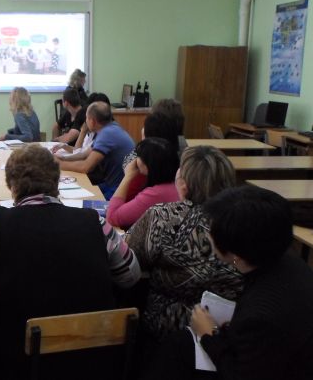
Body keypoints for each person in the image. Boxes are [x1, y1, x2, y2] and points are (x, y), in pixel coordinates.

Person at [0, 145, 141, 380]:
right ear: (56, 181)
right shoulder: (95, 222)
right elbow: (131, 276)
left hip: (18, 357)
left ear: (12, 186)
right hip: (91, 357)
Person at [144, 185, 313, 380]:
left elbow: (238, 373)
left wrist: (209, 335)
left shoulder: (260, 317)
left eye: (211, 230)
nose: (207, 233)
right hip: (272, 355)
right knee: (179, 343)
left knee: (175, 350)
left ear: (235, 255)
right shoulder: (287, 261)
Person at [125, 145, 243, 340]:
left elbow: (128, 259)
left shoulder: (162, 217)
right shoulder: (246, 221)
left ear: (184, 186)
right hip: (230, 327)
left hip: (167, 328)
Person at [57, 101, 135, 200]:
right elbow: (85, 154)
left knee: (77, 200)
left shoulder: (107, 134)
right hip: (114, 183)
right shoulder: (111, 127)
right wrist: (63, 158)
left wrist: (59, 164)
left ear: (92, 121)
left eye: (86, 118)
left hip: (119, 189)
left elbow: (86, 167)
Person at [106, 137, 179, 229]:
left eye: (138, 156)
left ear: (148, 164)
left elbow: (112, 217)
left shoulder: (155, 194)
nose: (135, 160)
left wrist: (127, 177)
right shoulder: (175, 183)